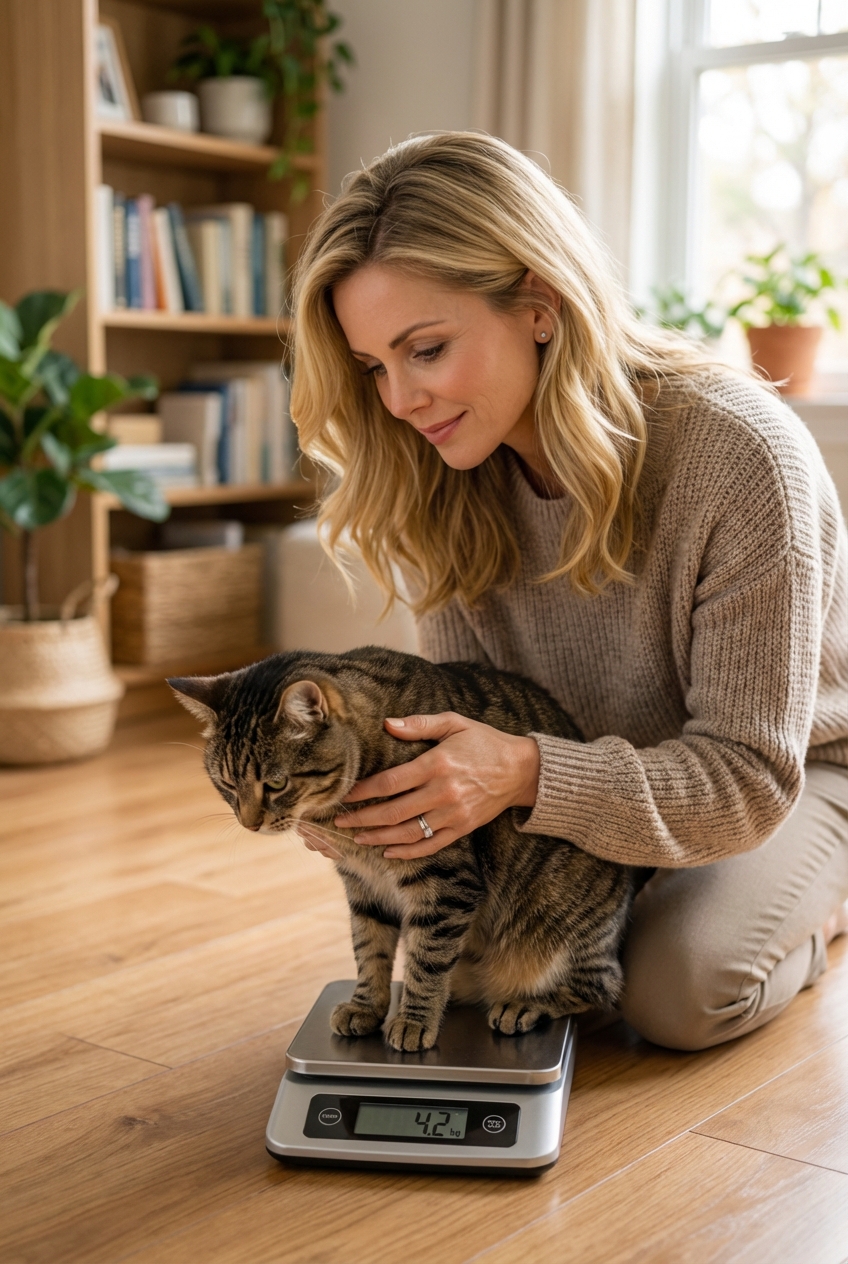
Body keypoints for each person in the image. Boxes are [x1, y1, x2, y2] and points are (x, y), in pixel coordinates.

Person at [288, 131, 848, 1051]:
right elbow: (468, 718)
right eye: (373, 367)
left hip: (786, 777)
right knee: (470, 976)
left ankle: (820, 903)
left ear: (539, 305)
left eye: (426, 349)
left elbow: (747, 778)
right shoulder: (444, 471)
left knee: (677, 992)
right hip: (577, 799)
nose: (398, 401)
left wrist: (523, 772)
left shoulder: (740, 456)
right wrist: (375, 799)